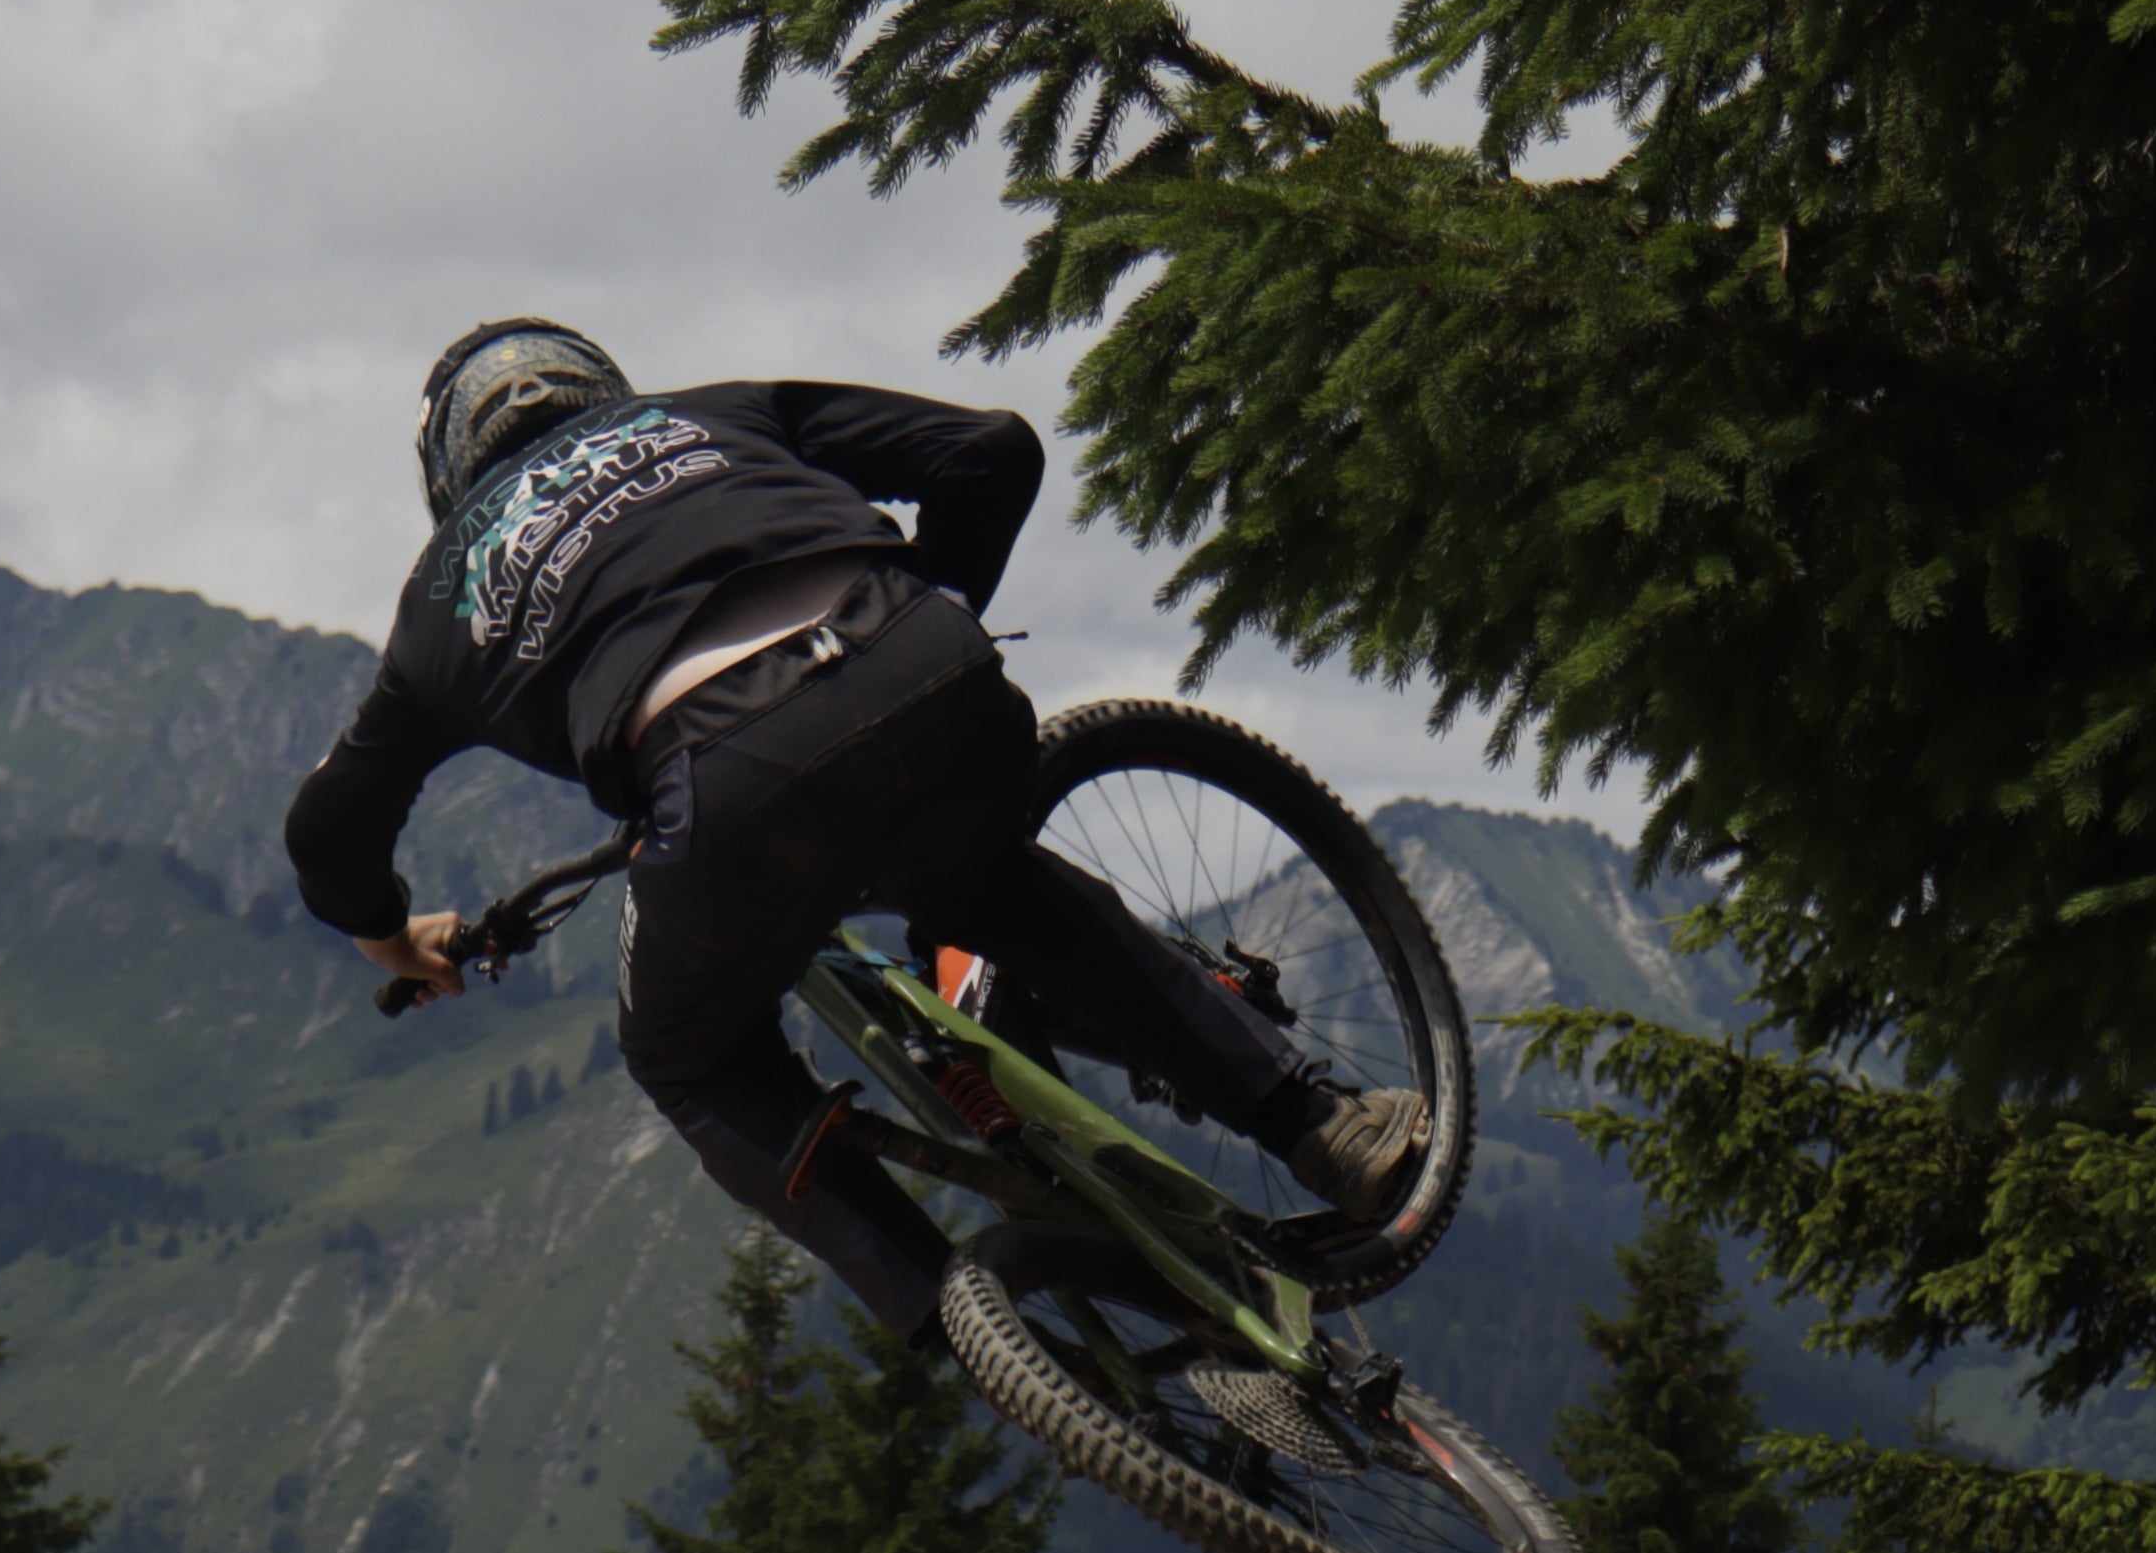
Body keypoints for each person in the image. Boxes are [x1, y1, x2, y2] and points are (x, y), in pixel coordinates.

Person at [282, 319, 1423, 1341]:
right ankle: (1323, 1126)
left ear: (450, 473)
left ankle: (961, 1319)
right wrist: (928, 622)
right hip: (922, 659)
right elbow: (989, 450)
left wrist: (394, 939)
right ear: (595, 383)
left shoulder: (446, 592)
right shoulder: (708, 413)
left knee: (686, 1058)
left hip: (721, 784)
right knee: (995, 889)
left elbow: (326, 836)